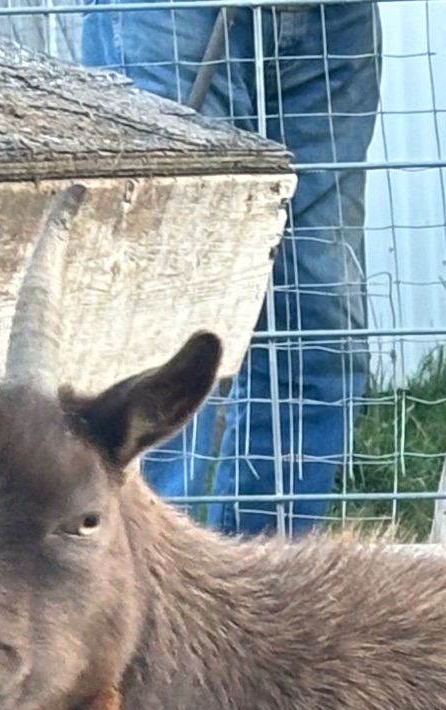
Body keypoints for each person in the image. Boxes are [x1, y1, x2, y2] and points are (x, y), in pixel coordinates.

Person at [80, 2, 381, 534]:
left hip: (330, 14)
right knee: (166, 324)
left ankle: (266, 597)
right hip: (167, 14)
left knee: (317, 320)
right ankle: (156, 599)